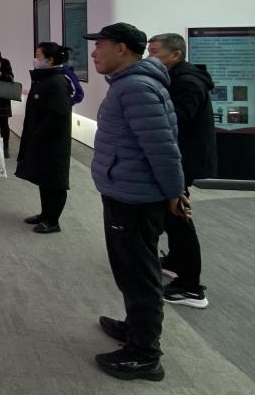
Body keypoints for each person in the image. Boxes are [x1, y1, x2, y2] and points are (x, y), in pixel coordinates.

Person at [84, 22, 188, 382]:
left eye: (101, 46)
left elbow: (162, 149)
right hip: (127, 190)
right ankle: (135, 326)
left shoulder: (136, 88)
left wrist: (175, 192)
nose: (94, 53)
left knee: (139, 273)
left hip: (135, 198)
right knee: (130, 269)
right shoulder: (130, 84)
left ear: (122, 49)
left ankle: (145, 354)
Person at [148, 33, 217, 309]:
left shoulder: (187, 82)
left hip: (183, 159)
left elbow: (175, 119)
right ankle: (176, 261)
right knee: (171, 215)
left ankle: (191, 286)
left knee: (178, 216)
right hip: (178, 157)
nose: (150, 57)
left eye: (155, 52)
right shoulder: (176, 77)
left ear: (175, 54)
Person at [15, 42, 73, 234]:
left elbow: (57, 115)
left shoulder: (57, 82)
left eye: (38, 55)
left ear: (50, 60)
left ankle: (53, 220)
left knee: (54, 181)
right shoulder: (45, 80)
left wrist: (39, 134)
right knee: (44, 178)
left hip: (52, 143)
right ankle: (45, 214)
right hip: (41, 139)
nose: (35, 59)